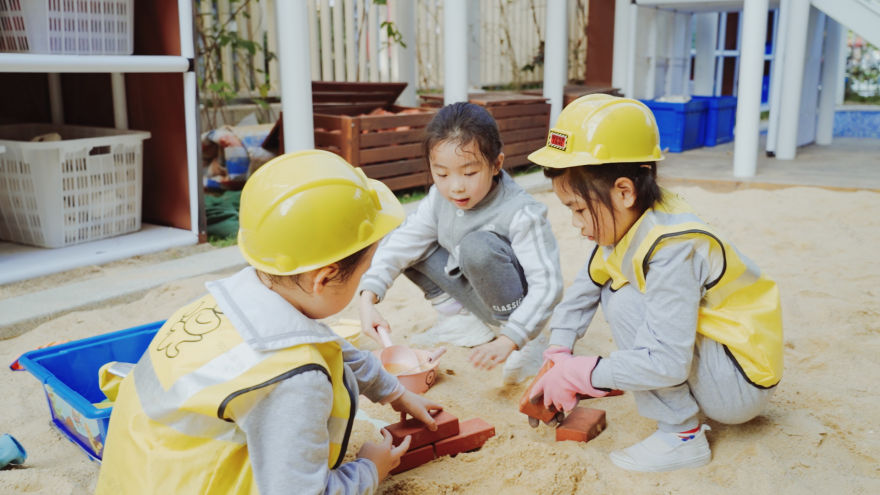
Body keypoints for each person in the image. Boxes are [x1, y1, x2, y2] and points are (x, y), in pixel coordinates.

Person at [95, 150, 444, 494]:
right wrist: (370, 468)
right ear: (323, 279)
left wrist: (394, 391)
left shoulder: (231, 302)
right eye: (363, 272)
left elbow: (324, 345)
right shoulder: (296, 382)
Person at [527, 95, 783, 472]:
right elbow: (585, 287)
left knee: (624, 300)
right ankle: (674, 419)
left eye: (579, 209)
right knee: (612, 288)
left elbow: (666, 363)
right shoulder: (629, 222)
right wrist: (558, 353)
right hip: (721, 361)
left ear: (625, 191)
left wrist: (584, 372)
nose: (576, 224)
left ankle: (682, 438)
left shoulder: (671, 247)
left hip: (740, 382)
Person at [358, 102, 563, 385]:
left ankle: (528, 344)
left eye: (468, 173)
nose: (455, 186)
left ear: (496, 165)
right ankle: (461, 319)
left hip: (515, 311)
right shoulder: (440, 200)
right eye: (442, 174)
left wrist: (512, 337)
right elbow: (400, 245)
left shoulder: (520, 212)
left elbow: (548, 284)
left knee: (477, 246)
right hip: (472, 293)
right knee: (408, 239)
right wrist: (368, 297)